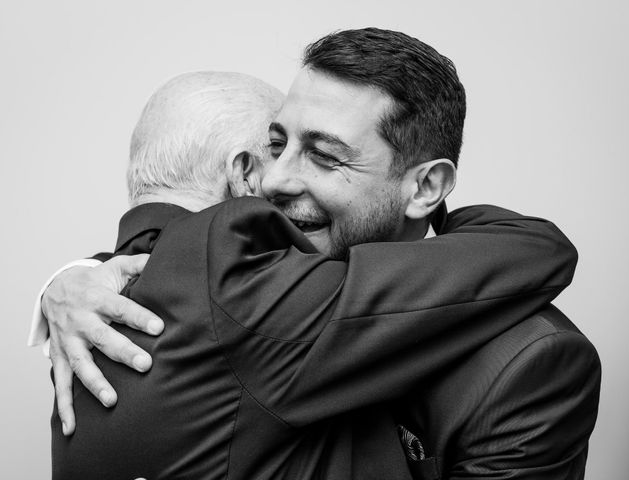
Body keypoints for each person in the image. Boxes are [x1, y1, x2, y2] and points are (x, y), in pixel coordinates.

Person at [34, 29, 599, 480]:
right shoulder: (192, 287)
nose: (274, 180)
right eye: (276, 145)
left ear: (425, 187)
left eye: (325, 156)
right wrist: (70, 281)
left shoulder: (527, 360)